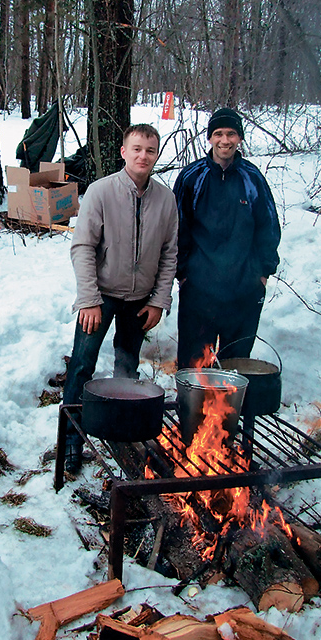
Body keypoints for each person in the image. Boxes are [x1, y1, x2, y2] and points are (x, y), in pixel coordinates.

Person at [62, 124, 178, 473]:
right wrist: (89, 300)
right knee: (82, 365)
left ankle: (120, 429)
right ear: (124, 152)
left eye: (150, 150)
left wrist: (159, 300)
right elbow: (82, 248)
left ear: (156, 156)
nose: (144, 156)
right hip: (101, 297)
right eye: (137, 149)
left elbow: (170, 253)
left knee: (126, 369)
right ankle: (71, 438)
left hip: (140, 301)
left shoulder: (165, 199)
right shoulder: (101, 192)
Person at [173, 108, 280, 369]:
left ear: (240, 138)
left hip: (244, 287)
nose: (225, 140)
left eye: (231, 134)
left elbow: (268, 227)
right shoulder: (192, 177)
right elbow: (176, 227)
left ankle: (229, 410)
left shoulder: (252, 179)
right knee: (194, 366)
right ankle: (192, 409)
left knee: (234, 367)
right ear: (209, 138)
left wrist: (263, 272)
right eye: (218, 134)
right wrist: (182, 272)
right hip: (199, 287)